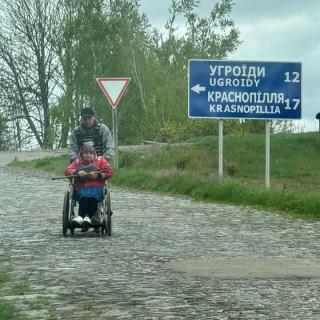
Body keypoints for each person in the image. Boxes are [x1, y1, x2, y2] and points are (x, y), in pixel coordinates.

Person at [65, 145, 113, 231]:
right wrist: (77, 172)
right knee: (84, 196)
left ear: (94, 154)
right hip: (81, 188)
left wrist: (98, 174)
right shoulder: (77, 161)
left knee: (93, 196)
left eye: (90, 153)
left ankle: (82, 217)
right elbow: (68, 171)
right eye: (85, 153)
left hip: (97, 187)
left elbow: (109, 172)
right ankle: (85, 217)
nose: (88, 155)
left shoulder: (100, 160)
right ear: (82, 154)